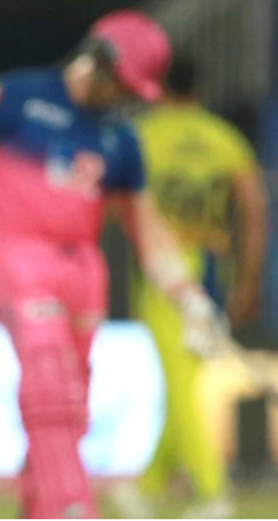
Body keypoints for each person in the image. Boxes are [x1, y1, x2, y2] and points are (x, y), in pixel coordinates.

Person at [0, 11, 229, 519]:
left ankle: (39, 507)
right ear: (101, 62)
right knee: (50, 384)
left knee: (70, 403)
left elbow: (146, 227)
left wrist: (189, 296)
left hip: (84, 269)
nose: (126, 98)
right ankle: (72, 507)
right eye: (124, 86)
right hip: (20, 255)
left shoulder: (120, 138)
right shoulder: (19, 97)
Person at [112, 57, 269, 519]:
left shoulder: (142, 135)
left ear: (158, 87)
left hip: (162, 271)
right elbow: (254, 210)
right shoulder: (223, 138)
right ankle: (149, 486)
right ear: (199, 90)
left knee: (180, 383)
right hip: (207, 267)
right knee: (183, 378)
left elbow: (114, 201)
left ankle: (213, 494)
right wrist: (248, 281)